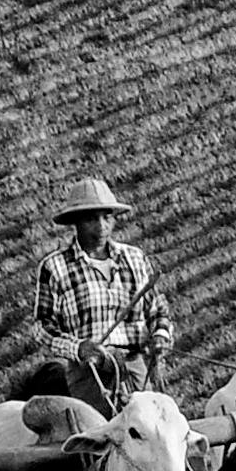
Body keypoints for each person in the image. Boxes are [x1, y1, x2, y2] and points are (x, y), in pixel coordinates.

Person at [27, 176, 174, 413]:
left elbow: (157, 310)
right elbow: (43, 328)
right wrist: (79, 348)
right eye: (91, 219)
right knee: (99, 440)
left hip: (137, 365)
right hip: (91, 372)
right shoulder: (55, 267)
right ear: (75, 223)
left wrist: (160, 336)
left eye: (107, 217)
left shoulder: (134, 258)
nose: (101, 226)